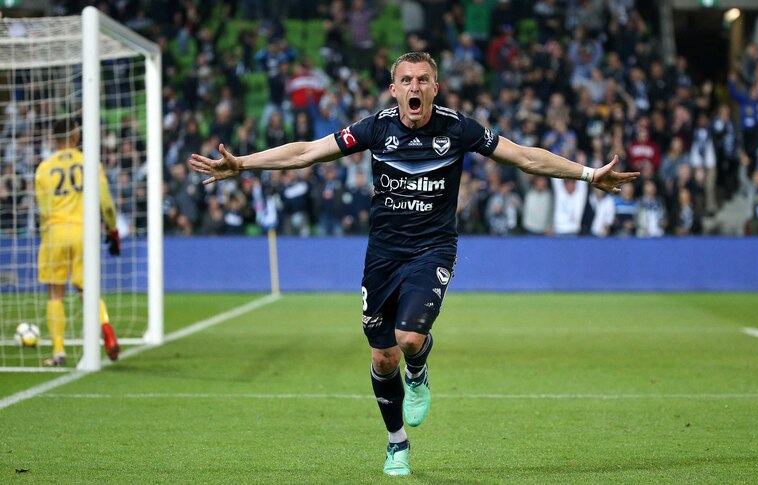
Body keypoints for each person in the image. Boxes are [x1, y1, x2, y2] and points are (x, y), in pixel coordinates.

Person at [189, 51, 639, 476]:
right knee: (382, 357)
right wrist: (244, 164)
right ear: (393, 90)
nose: (414, 86)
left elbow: (523, 157)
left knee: (408, 338)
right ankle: (397, 442)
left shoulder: (459, 128)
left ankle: (419, 371)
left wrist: (587, 174)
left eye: (423, 79)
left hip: (433, 249)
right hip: (383, 254)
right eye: (406, 80)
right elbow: (306, 152)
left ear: (436, 87)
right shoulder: (374, 129)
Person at [35, 119, 122, 366]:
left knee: (55, 293)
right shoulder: (90, 163)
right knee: (87, 289)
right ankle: (106, 329)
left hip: (54, 232)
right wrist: (113, 230)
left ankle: (59, 351)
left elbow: (42, 211)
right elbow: (105, 203)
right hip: (84, 231)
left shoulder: (43, 168)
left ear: (54, 140)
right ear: (75, 138)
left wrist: (46, 236)